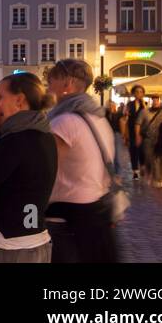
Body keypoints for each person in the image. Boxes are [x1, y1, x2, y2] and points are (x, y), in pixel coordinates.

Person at [0, 72, 57, 263]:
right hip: (35, 237)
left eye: (0, 97)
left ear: (19, 100)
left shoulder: (15, 140)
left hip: (10, 246)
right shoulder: (45, 134)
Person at [45, 59, 117, 263]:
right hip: (96, 206)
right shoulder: (97, 117)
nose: (48, 88)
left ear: (67, 84)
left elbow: (46, 168)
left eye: (52, 82)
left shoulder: (63, 122)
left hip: (68, 212)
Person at [141, 95, 162, 188]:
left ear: (159, 101)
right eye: (153, 100)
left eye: (156, 100)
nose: (155, 102)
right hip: (152, 139)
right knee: (154, 160)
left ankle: (161, 180)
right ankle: (156, 179)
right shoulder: (147, 112)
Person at [123, 84, 147, 180]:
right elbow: (125, 118)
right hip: (132, 131)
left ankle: (142, 166)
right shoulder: (129, 104)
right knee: (133, 151)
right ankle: (135, 171)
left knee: (142, 151)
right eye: (137, 92)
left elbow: (146, 115)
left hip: (142, 131)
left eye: (141, 92)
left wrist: (143, 103)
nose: (139, 93)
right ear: (133, 93)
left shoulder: (144, 104)